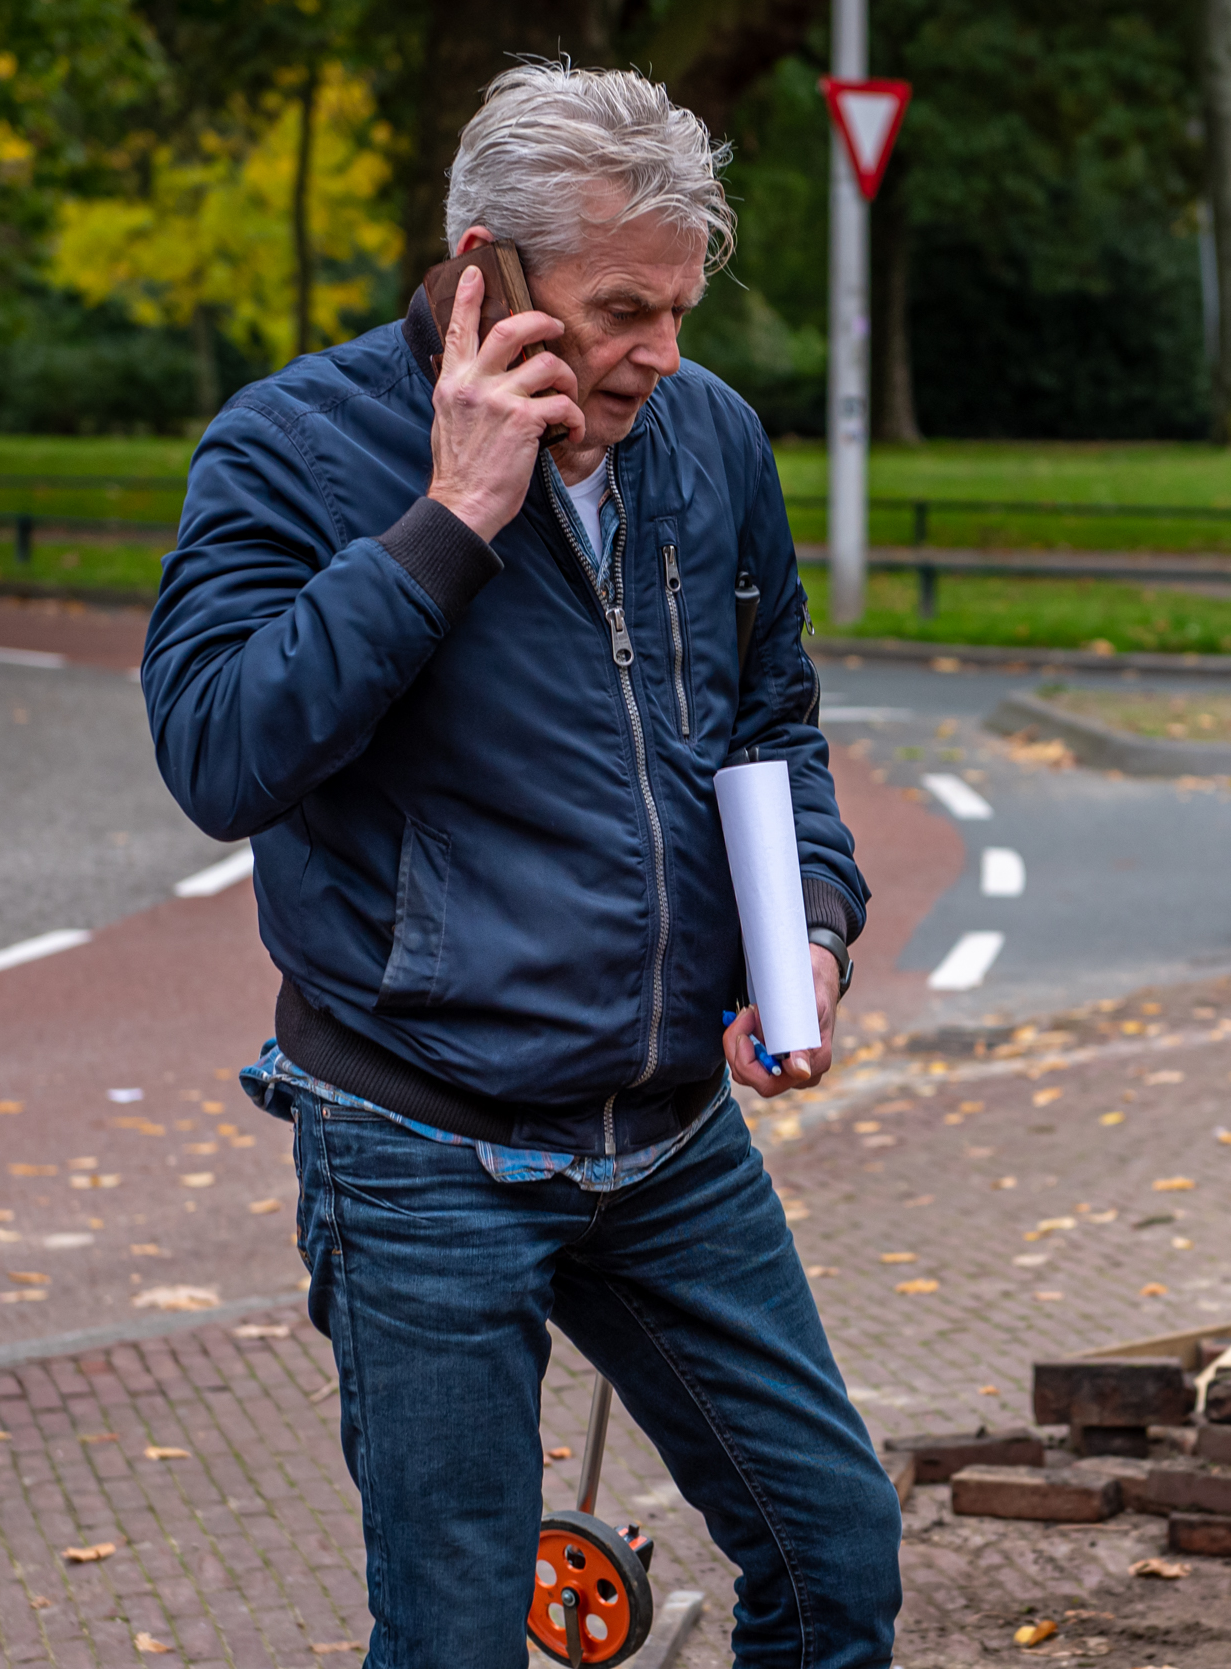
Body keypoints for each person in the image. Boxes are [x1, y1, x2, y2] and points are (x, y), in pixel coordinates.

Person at [140, 64, 901, 1666]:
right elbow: (218, 754)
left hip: (670, 1134)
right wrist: (451, 519)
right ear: (487, 270)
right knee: (459, 1635)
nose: (663, 354)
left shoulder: (708, 440)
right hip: (421, 1137)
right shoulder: (292, 446)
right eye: (625, 308)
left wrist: (807, 930)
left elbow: (769, 724)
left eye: (683, 306)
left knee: (836, 1556)